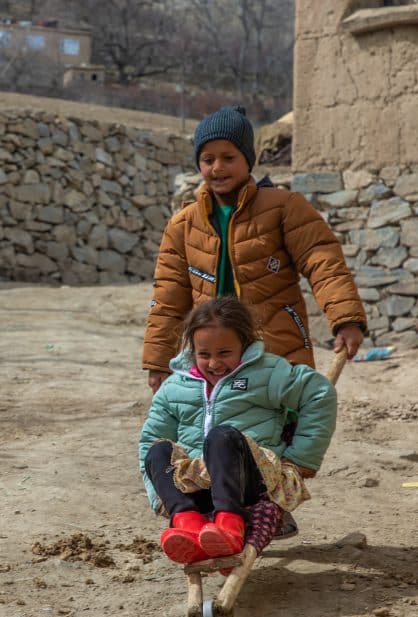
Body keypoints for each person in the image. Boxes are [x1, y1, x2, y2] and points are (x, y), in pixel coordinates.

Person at [142, 105, 366, 537]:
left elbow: (323, 261)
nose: (217, 167)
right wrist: (157, 360)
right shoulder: (184, 224)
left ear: (248, 160)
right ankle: (213, 507)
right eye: (208, 159)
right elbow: (168, 299)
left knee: (272, 427)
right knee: (212, 425)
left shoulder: (283, 207)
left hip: (275, 344)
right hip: (211, 350)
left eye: (229, 157)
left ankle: (270, 503)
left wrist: (345, 319)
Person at [138, 298, 336, 564]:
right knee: (157, 450)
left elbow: (319, 394)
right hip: (199, 487)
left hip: (250, 482)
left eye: (224, 353)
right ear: (192, 351)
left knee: (222, 436)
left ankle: (230, 524)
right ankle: (187, 523)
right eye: (204, 354)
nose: (214, 363)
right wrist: (159, 496)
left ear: (244, 344)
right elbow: (150, 437)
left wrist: (302, 458)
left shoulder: (267, 373)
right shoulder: (174, 388)